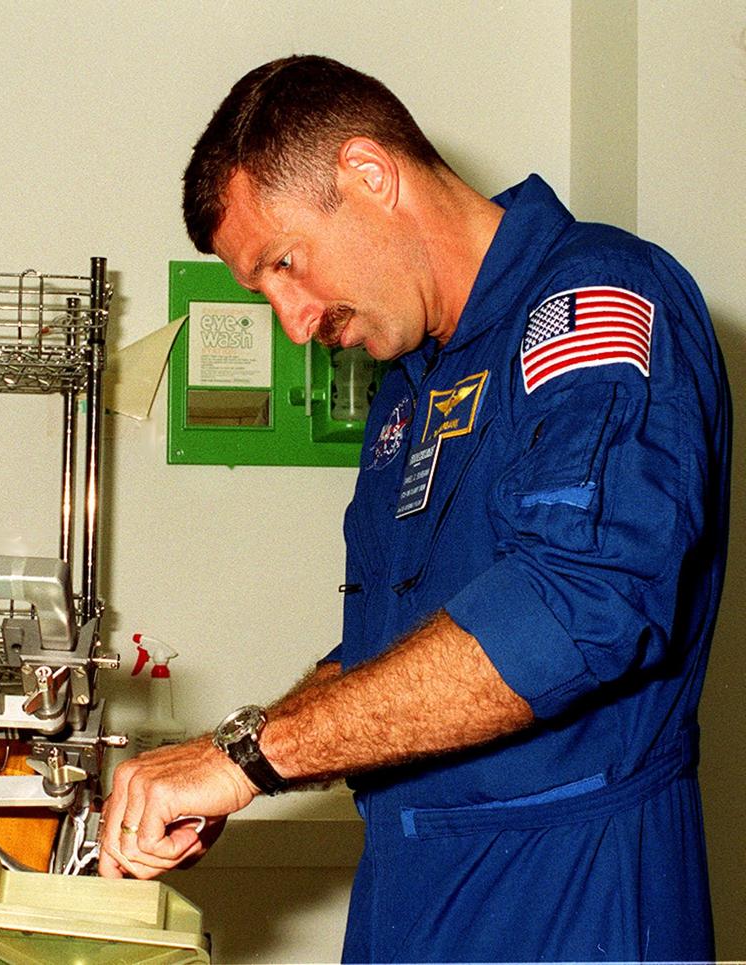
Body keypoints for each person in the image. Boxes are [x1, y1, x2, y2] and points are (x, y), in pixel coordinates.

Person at [99, 55, 729, 962]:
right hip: (414, 891)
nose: (292, 321)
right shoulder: (412, 388)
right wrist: (230, 754)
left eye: (286, 263)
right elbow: (386, 657)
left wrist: (248, 760)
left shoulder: (589, 299)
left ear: (369, 174)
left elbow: (577, 604)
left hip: (572, 898)